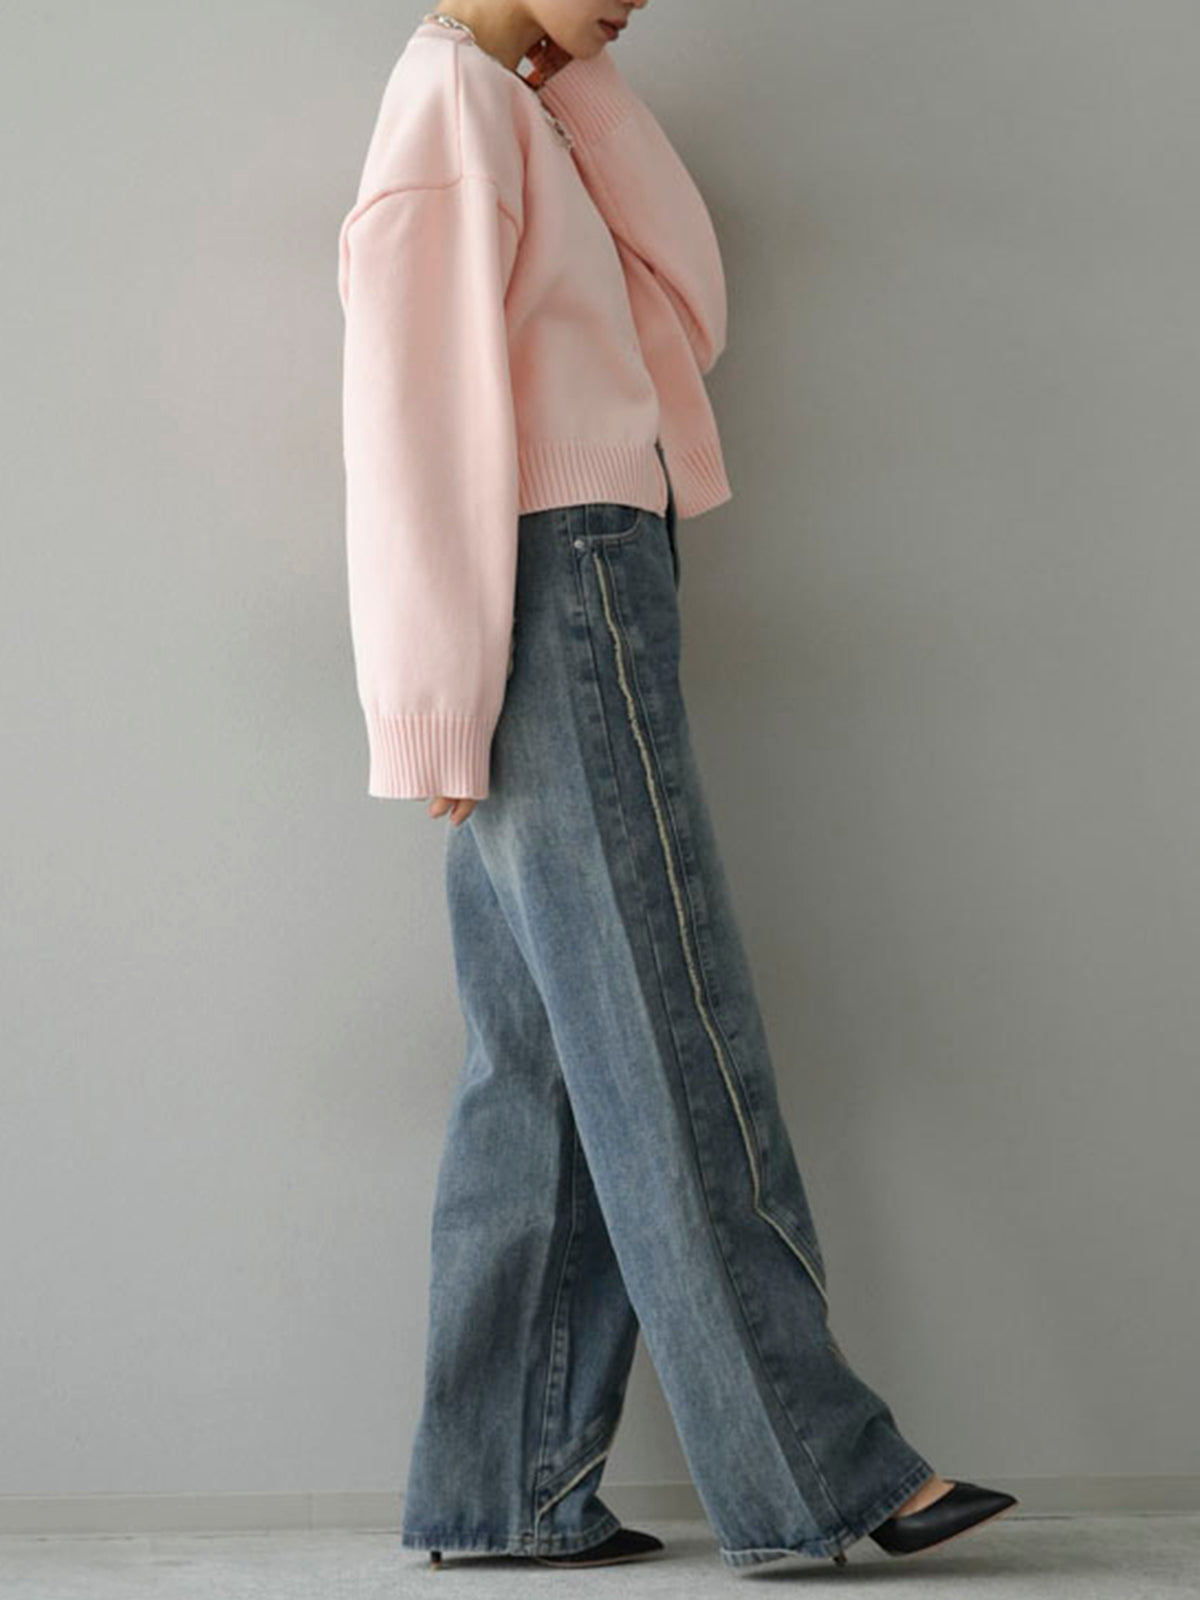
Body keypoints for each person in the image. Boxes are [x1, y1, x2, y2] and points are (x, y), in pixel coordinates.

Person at [336, 0, 1017, 1571]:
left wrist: (580, 80)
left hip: (583, 571)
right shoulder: (446, 111)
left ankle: (506, 1490)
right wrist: (433, 703)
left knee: (549, 1069)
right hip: (551, 585)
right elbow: (411, 429)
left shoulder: (515, 106)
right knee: (668, 1026)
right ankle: (820, 1471)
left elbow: (685, 304)